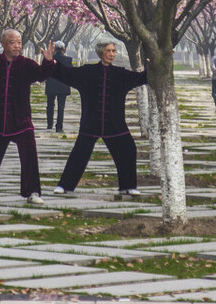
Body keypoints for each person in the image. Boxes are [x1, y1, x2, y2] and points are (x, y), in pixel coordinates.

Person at [44, 41, 147, 195]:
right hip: (90, 122)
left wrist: (152, 66)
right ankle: (64, 186)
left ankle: (128, 186)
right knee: (79, 155)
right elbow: (65, 74)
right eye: (108, 51)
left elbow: (141, 78)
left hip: (115, 124)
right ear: (101, 53)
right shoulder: (87, 72)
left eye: (114, 51)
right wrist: (50, 61)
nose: (112, 54)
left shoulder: (120, 74)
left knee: (128, 149)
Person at [0, 29, 55, 204]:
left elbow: (42, 74)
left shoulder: (27, 64)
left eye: (19, 42)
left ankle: (33, 192)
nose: (17, 46)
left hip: (21, 121)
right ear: (3, 44)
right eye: (13, 42)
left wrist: (49, 61)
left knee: (29, 157)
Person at [45, 41, 73, 132]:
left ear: (55, 49)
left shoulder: (50, 59)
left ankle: (49, 124)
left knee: (50, 105)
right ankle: (59, 126)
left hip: (51, 86)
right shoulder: (68, 60)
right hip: (63, 86)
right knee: (61, 107)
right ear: (64, 49)